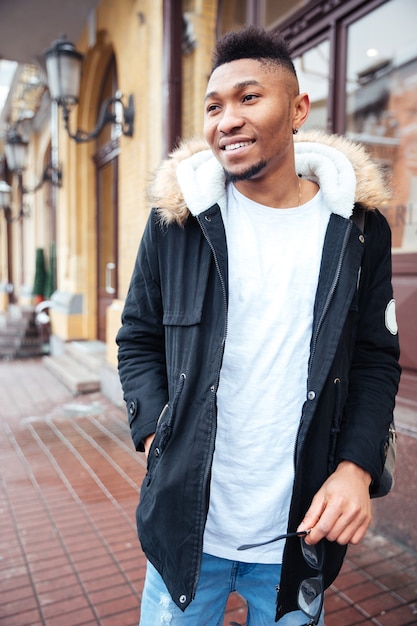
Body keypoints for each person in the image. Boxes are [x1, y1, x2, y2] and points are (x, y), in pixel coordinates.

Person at [116, 25, 401, 626]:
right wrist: (157, 435)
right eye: (214, 106)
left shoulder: (358, 230)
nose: (227, 120)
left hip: (298, 534)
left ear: (298, 109)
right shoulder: (178, 223)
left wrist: (357, 466)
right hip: (189, 531)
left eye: (250, 98)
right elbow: (138, 337)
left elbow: (375, 358)